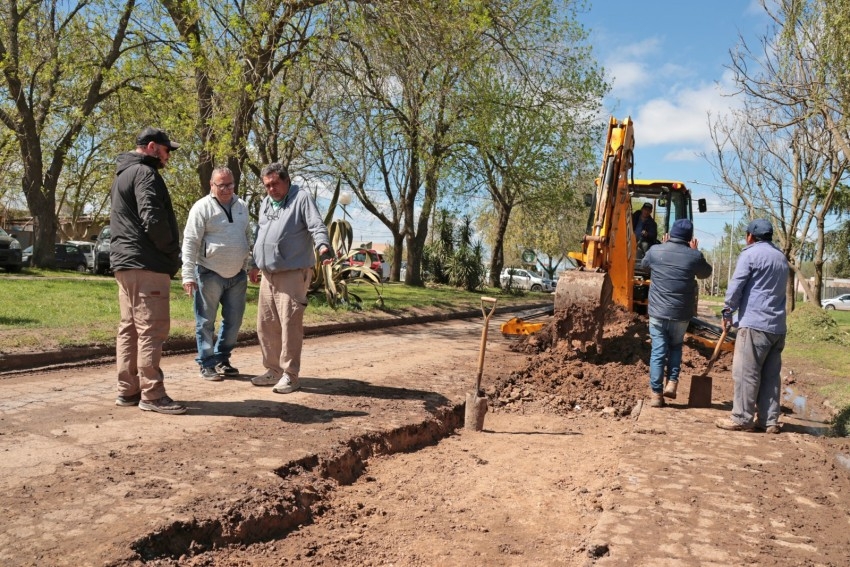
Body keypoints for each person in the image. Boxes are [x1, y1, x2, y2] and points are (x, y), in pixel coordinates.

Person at [110, 127, 185, 415]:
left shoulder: (122, 175)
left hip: (125, 264)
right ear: (153, 147)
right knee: (151, 329)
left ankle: (127, 390)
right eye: (167, 151)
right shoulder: (144, 174)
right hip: (147, 264)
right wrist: (170, 252)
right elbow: (152, 218)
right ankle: (152, 394)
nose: (168, 157)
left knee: (129, 328)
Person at [249, 163, 333, 394]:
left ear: (286, 180)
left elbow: (316, 225)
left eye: (275, 183)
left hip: (292, 273)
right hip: (268, 274)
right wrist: (254, 263)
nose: (271, 189)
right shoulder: (266, 202)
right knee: (266, 325)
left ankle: (290, 375)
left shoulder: (301, 198)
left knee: (290, 325)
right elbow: (260, 234)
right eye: (267, 185)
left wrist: (324, 247)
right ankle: (273, 370)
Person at [716, 219, 788, 434]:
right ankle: (769, 421)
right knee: (770, 376)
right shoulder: (781, 257)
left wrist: (728, 311)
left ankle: (742, 417)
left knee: (746, 372)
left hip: (755, 324)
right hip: (777, 327)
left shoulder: (750, 254)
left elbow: (737, 285)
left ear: (750, 236)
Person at [181, 166, 251, 381]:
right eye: (221, 185)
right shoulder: (201, 207)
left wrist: (250, 264)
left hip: (237, 274)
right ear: (212, 185)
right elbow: (190, 241)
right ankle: (207, 362)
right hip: (209, 272)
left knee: (234, 321)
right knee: (205, 322)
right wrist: (188, 275)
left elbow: (247, 236)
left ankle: (222, 358)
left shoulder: (242, 206)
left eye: (230, 184)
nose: (227, 189)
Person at [640, 218, 712, 407]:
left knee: (658, 351)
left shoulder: (656, 251)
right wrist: (695, 252)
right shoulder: (694, 256)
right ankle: (671, 382)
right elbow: (705, 273)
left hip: (657, 312)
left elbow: (644, 266)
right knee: (676, 346)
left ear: (670, 234)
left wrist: (662, 248)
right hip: (681, 314)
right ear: (690, 238)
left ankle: (656, 395)